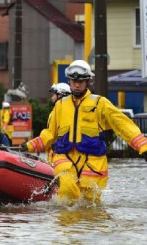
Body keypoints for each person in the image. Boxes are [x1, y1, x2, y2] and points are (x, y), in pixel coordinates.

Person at [23, 60, 147, 204]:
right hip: (66, 161)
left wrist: (143, 147)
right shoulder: (60, 106)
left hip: (93, 164)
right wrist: (29, 146)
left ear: (88, 81)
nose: (76, 84)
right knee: (67, 194)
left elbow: (124, 125)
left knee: (90, 205)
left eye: (80, 81)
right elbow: (50, 134)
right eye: (74, 81)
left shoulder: (100, 103)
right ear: (69, 81)